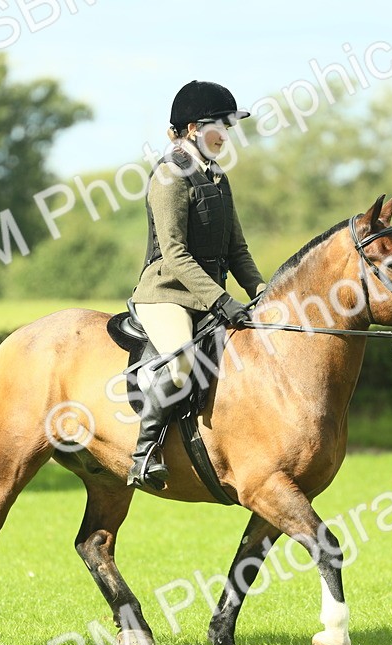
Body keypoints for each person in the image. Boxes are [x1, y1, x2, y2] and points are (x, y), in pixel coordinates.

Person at [127, 80, 268, 489]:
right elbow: (174, 254)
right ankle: (144, 453)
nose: (225, 135)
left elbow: (237, 249)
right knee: (181, 360)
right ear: (192, 128)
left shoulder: (217, 177)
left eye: (228, 127)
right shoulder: (171, 175)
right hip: (167, 294)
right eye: (219, 126)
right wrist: (223, 300)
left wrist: (260, 290)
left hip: (208, 298)